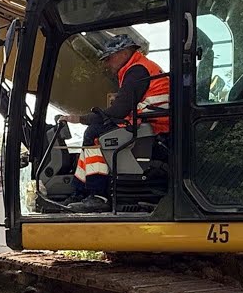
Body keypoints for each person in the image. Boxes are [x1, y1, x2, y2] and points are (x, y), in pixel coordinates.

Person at [56, 34, 170, 212]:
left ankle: (98, 195)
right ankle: (80, 192)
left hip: (154, 127)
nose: (107, 64)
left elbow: (119, 111)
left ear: (124, 53)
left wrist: (82, 119)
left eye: (109, 58)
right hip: (149, 123)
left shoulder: (137, 70)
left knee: (94, 133)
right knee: (94, 133)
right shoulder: (141, 68)